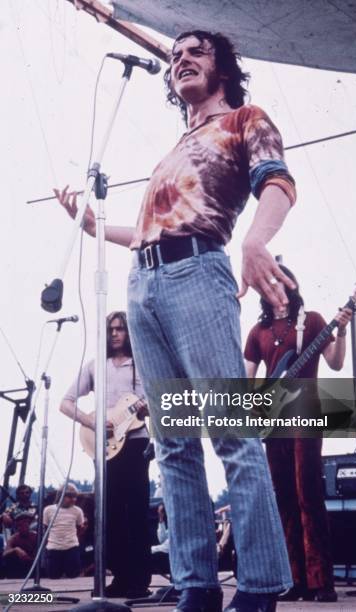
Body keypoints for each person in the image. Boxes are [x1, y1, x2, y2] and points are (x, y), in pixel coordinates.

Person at [55, 30, 298, 612]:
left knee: (232, 433)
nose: (181, 58)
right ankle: (197, 586)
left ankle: (260, 588)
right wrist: (95, 227)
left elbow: (279, 184)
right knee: (173, 445)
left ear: (223, 67)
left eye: (196, 51)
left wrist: (257, 242)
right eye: (174, 55)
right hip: (145, 282)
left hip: (197, 274)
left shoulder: (245, 119)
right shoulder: (176, 147)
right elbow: (145, 232)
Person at [244, 264, 352, 603]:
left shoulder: (314, 322)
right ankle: (294, 579)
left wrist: (344, 331)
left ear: (291, 285)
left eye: (279, 281)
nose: (274, 288)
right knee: (283, 498)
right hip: (273, 420)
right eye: (268, 283)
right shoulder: (257, 331)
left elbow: (335, 363)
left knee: (309, 493)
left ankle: (321, 582)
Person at [60, 311, 151, 598]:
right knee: (109, 512)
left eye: (120, 329)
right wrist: (93, 422)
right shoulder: (95, 366)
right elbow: (66, 403)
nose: (114, 334)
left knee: (136, 511)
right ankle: (120, 577)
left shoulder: (143, 364)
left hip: (136, 443)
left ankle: (140, 581)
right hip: (106, 447)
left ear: (129, 332)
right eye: (110, 329)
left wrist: (151, 408)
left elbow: (159, 402)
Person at [43, 484, 84, 579]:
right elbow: (45, 529)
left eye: (75, 497)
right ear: (61, 496)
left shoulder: (78, 511)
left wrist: (73, 539)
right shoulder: (48, 510)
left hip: (71, 547)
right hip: (53, 548)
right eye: (70, 497)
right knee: (53, 576)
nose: (73, 499)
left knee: (73, 575)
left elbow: (80, 528)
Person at [2, 513, 37, 578]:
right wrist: (16, 549)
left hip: (33, 565)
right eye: (18, 526)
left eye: (23, 525)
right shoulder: (14, 538)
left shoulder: (35, 536)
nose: (20, 528)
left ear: (28, 525)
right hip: (19, 566)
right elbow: (5, 553)